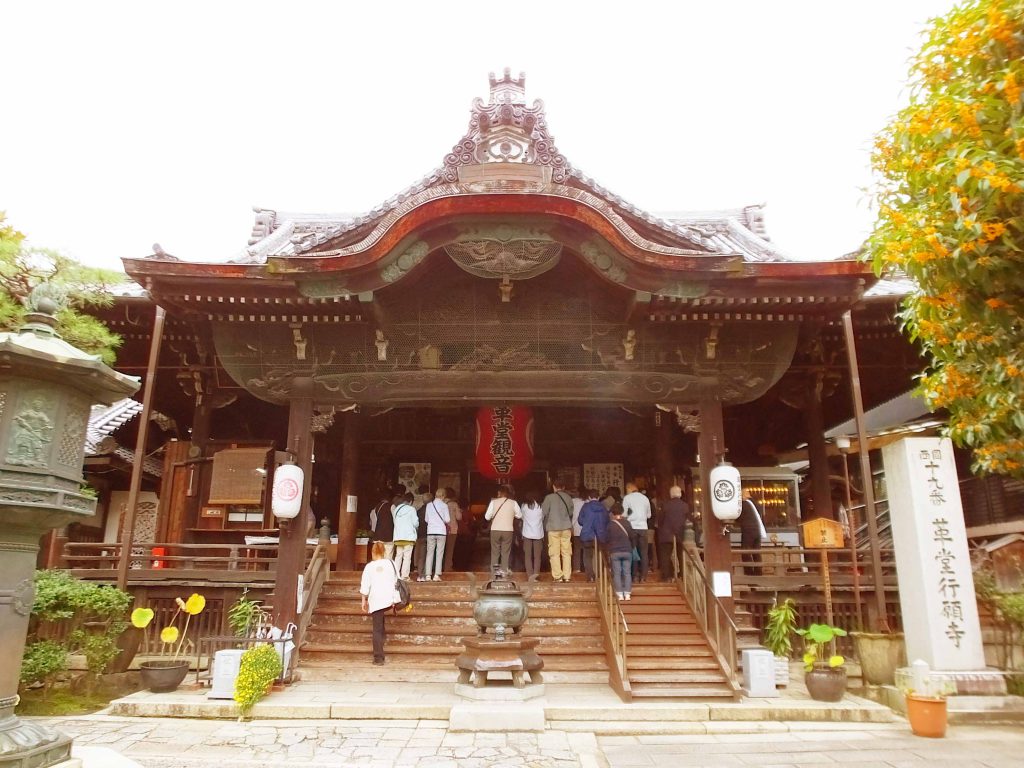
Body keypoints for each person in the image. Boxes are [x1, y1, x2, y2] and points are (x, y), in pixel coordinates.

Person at [360, 541, 398, 665]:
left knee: (376, 628)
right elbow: (397, 580)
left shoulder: (369, 567)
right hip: (389, 598)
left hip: (376, 599)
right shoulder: (391, 563)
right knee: (380, 626)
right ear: (384, 551)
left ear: (372, 552)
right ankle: (382, 640)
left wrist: (363, 600)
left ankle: (378, 657)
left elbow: (365, 585)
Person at [541, 480, 574, 582]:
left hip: (553, 528)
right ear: (563, 487)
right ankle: (567, 576)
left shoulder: (549, 498)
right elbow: (571, 512)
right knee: (566, 552)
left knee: (554, 553)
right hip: (566, 527)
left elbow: (544, 512)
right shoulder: (568, 498)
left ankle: (558, 576)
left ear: (554, 487)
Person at [484, 485, 521, 574]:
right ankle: (504, 572)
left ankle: (494, 574)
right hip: (508, 530)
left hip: (495, 530)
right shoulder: (513, 503)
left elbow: (487, 517)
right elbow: (519, 515)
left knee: (495, 552)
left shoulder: (493, 502)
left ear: (500, 493)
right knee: (505, 552)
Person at [657, 485, 689, 580]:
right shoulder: (685, 506)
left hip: (666, 534)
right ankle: (683, 575)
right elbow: (688, 520)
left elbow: (660, 520)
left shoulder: (665, 505)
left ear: (671, 494)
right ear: (680, 494)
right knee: (681, 555)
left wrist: (661, 529)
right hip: (680, 533)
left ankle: (666, 576)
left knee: (665, 556)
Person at [622, 482, 652, 582]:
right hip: (643, 527)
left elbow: (624, 514)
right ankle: (643, 576)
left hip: (632, 527)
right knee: (644, 553)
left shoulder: (627, 498)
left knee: (633, 552)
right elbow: (649, 515)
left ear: (629, 488)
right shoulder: (645, 498)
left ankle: (634, 575)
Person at [578, 488, 609, 582]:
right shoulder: (603, 507)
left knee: (587, 556)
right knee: (600, 555)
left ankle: (590, 576)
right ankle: (599, 575)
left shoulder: (585, 507)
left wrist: (587, 523)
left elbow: (580, 520)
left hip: (587, 534)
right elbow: (607, 520)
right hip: (601, 534)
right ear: (598, 497)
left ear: (589, 497)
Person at [605, 503, 635, 600]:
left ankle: (619, 594)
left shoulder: (610, 525)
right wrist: (632, 546)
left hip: (615, 551)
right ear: (622, 512)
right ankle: (627, 594)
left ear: (612, 513)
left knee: (617, 573)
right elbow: (632, 536)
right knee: (627, 572)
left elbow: (607, 538)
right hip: (627, 550)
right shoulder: (627, 523)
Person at [422, 488, 450, 581]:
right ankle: (436, 575)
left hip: (430, 531)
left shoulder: (429, 505)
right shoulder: (444, 506)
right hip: (441, 532)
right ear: (443, 496)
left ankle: (428, 575)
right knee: (439, 553)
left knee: (429, 553)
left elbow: (426, 519)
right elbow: (447, 520)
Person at [739, 488, 767, 575]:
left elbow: (738, 516)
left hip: (748, 530)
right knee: (756, 552)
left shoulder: (743, 504)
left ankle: (749, 573)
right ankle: (758, 573)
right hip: (758, 529)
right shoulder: (755, 503)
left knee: (745, 552)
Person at [391, 493, 418, 580]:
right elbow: (415, 523)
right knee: (407, 557)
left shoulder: (396, 509)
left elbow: (395, 522)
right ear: (410, 501)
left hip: (398, 536)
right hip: (408, 537)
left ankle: (396, 575)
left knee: (398, 556)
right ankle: (405, 576)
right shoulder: (411, 509)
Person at [519, 492, 545, 581]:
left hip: (527, 534)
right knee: (537, 557)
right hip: (538, 534)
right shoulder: (541, 507)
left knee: (527, 556)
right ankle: (536, 576)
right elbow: (543, 518)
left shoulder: (524, 506)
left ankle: (530, 576)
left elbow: (521, 517)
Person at [371, 491, 396, 560]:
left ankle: (379, 569)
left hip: (378, 535)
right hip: (388, 536)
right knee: (388, 555)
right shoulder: (392, 506)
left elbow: (374, 522)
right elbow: (395, 520)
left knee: (378, 556)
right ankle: (387, 569)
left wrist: (374, 533)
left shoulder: (376, 508)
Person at [443, 488, 461, 573]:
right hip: (452, 529)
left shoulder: (441, 503)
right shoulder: (454, 504)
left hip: (441, 529)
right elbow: (459, 517)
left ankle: (439, 566)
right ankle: (448, 567)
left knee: (440, 549)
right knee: (450, 550)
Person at [570, 488, 584, 574]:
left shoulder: (571, 501)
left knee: (577, 549)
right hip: (585, 529)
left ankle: (577, 568)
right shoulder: (585, 502)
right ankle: (586, 567)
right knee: (586, 550)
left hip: (575, 528)